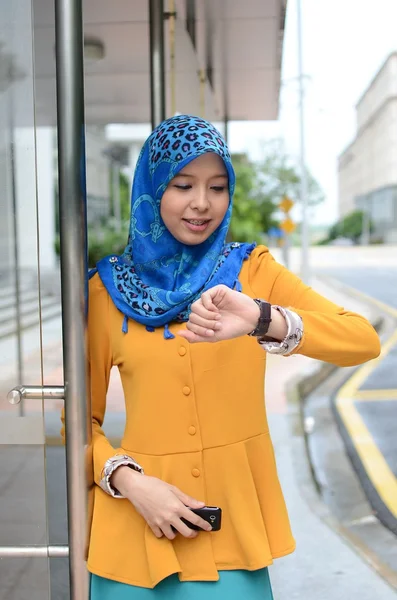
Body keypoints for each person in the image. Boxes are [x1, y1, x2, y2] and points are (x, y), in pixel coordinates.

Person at [83, 114, 380, 599]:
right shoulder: (105, 291)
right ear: (153, 188)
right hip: (136, 540)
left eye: (217, 187)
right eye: (183, 185)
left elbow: (361, 339)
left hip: (232, 537)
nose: (202, 203)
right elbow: (79, 422)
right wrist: (132, 483)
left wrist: (264, 319)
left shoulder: (252, 271)